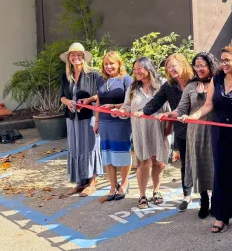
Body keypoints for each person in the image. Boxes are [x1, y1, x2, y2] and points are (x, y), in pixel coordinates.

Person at [181, 46, 232, 234]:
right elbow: (208, 105)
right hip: (219, 133)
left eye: (227, 60)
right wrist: (193, 116)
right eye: (221, 60)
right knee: (221, 175)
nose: (223, 64)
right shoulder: (217, 79)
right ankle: (222, 217)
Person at [136, 53, 194, 210]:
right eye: (168, 67)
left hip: (200, 129)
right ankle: (187, 195)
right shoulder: (169, 85)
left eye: (173, 66)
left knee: (203, 162)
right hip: (181, 129)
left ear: (183, 64)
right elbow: (157, 101)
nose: (170, 70)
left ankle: (207, 195)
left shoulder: (195, 80)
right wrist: (144, 111)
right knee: (186, 163)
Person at [113, 57, 170, 209]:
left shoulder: (161, 85)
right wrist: (120, 111)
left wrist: (168, 124)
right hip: (140, 129)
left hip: (159, 127)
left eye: (140, 68)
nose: (137, 72)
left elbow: (169, 106)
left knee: (159, 161)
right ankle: (142, 195)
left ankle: (156, 191)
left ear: (149, 68)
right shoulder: (132, 88)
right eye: (135, 69)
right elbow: (126, 106)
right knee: (143, 161)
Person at [171, 52, 218, 219]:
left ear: (210, 66)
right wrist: (170, 114)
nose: (199, 69)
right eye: (196, 66)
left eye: (202, 66)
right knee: (200, 165)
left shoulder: (219, 82)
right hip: (196, 132)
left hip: (215, 131)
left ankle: (217, 201)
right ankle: (204, 200)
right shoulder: (191, 86)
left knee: (215, 166)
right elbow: (182, 109)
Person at [59, 42, 103, 197]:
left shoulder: (94, 74)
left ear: (83, 57)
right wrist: (68, 102)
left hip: (88, 117)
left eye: (79, 54)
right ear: (69, 58)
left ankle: (91, 182)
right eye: (73, 55)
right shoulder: (66, 76)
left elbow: (102, 95)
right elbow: (62, 96)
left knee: (90, 147)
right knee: (76, 147)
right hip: (72, 118)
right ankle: (80, 182)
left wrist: (88, 100)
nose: (76, 57)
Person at [94, 51, 134, 201]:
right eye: (106, 64)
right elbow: (98, 100)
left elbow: (130, 102)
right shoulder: (101, 80)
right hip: (104, 122)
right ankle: (112, 185)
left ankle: (124, 184)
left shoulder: (126, 79)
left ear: (119, 64)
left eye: (112, 63)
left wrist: (114, 106)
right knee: (108, 153)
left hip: (121, 121)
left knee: (123, 153)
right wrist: (96, 121)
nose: (109, 66)